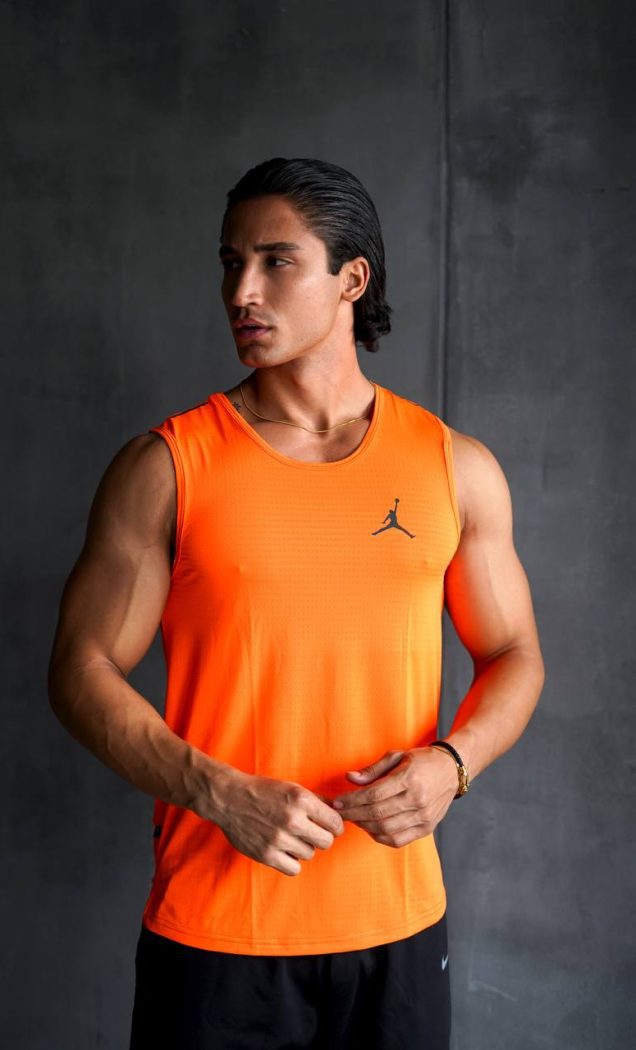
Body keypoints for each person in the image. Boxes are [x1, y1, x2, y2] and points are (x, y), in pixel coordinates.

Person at [48, 157, 545, 1049]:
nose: (242, 291)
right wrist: (212, 789)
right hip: (217, 933)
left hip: (395, 924)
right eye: (231, 263)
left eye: (276, 261)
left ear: (352, 279)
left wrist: (453, 763)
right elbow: (79, 671)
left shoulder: (453, 467)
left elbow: (514, 653)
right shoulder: (167, 467)